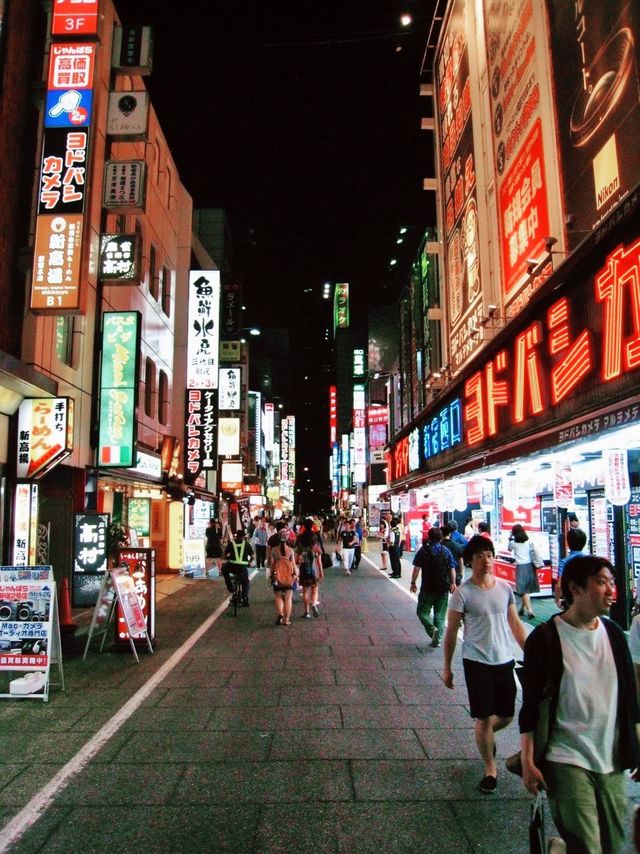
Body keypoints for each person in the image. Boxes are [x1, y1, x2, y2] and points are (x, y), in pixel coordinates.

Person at [519, 555, 640, 853]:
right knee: (589, 847)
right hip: (566, 759)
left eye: (611, 583)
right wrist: (527, 761)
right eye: (601, 582)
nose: (611, 590)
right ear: (576, 589)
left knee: (613, 845)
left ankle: (561, 849)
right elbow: (532, 708)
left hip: (611, 760)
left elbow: (629, 700)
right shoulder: (545, 638)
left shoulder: (614, 635)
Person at [443, 535, 526, 794]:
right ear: (470, 561)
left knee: (506, 715)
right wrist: (447, 668)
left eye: (489, 555)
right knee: (483, 717)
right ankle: (490, 768)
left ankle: (485, 735)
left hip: (504, 659)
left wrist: (531, 653)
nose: (486, 560)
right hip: (476, 661)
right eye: (480, 556)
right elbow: (451, 631)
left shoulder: (504, 589)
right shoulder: (462, 594)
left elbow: (515, 623)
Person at [410, 526, 456, 647]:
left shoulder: (423, 550)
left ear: (428, 537)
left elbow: (416, 568)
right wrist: (453, 583)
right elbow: (452, 568)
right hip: (443, 589)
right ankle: (438, 639)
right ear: (440, 538)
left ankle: (432, 630)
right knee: (440, 616)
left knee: (422, 612)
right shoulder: (445, 551)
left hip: (427, 588)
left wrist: (413, 582)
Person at [508, 523, 539, 619]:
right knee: (526, 590)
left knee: (523, 590)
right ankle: (522, 609)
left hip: (521, 568)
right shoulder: (529, 541)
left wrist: (510, 538)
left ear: (514, 533)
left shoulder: (513, 543)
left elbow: (509, 549)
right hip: (530, 566)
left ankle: (530, 611)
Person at [269, 529, 298, 625]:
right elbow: (293, 565)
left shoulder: (274, 550)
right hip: (289, 577)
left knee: (278, 596)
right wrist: (296, 575)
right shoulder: (290, 550)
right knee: (288, 598)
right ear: (287, 539)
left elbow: (272, 565)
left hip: (278, 577)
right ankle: (286, 620)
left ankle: (280, 613)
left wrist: (271, 576)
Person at [296, 521, 323, 618]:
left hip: (304, 568)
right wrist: (321, 572)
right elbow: (319, 559)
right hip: (314, 568)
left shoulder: (301, 538)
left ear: (303, 526)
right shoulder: (315, 538)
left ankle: (306, 612)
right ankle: (314, 604)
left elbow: (296, 558)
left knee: (305, 590)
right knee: (315, 588)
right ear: (312, 526)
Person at [555, 527, 587, 606]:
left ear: (568, 543)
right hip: (588, 598)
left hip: (572, 600)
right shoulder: (590, 560)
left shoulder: (564, 562)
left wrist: (557, 600)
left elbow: (559, 586)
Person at [221, 529, 253, 607]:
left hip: (232, 566)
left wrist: (227, 557)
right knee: (245, 582)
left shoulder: (231, 543)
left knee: (223, 569)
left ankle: (230, 586)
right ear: (243, 537)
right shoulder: (247, 544)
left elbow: (225, 554)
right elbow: (253, 556)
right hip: (242, 567)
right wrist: (249, 562)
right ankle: (245, 598)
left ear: (236, 536)